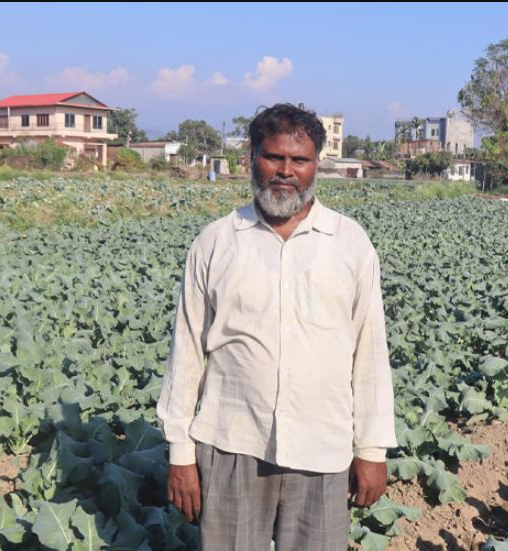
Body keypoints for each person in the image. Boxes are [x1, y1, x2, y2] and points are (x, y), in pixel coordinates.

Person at [156, 103, 397, 550]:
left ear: (315, 166)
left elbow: (370, 353)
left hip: (322, 447)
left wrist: (372, 450)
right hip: (232, 443)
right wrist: (180, 453)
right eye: (274, 157)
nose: (286, 171)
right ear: (252, 158)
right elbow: (186, 351)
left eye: (299, 161)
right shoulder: (216, 242)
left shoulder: (350, 244)